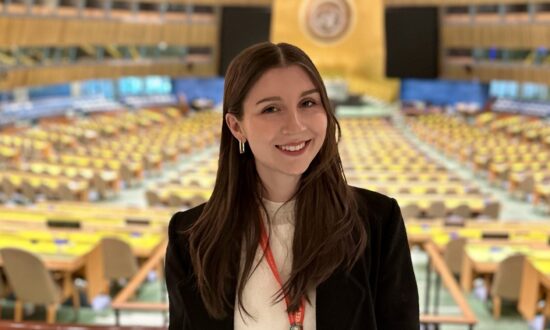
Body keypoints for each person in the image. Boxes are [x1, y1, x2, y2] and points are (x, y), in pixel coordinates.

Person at [165, 42, 419, 330]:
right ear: (237, 127)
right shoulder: (190, 238)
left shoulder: (378, 223)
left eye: (308, 103)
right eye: (271, 109)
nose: (295, 125)